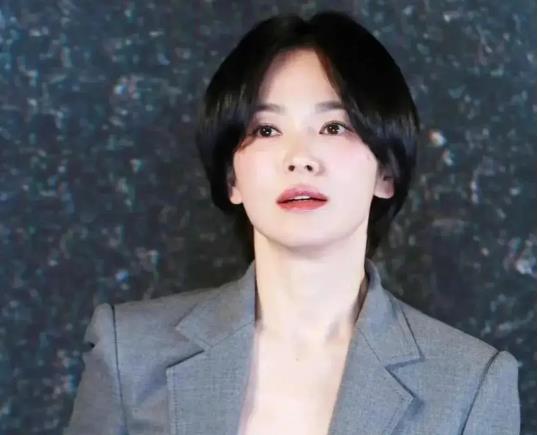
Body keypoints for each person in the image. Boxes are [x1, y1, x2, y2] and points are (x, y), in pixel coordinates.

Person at [65, 11, 520, 435]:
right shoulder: (130, 355)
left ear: (386, 171)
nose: (299, 158)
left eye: (334, 127)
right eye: (266, 130)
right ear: (231, 179)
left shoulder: (470, 385)